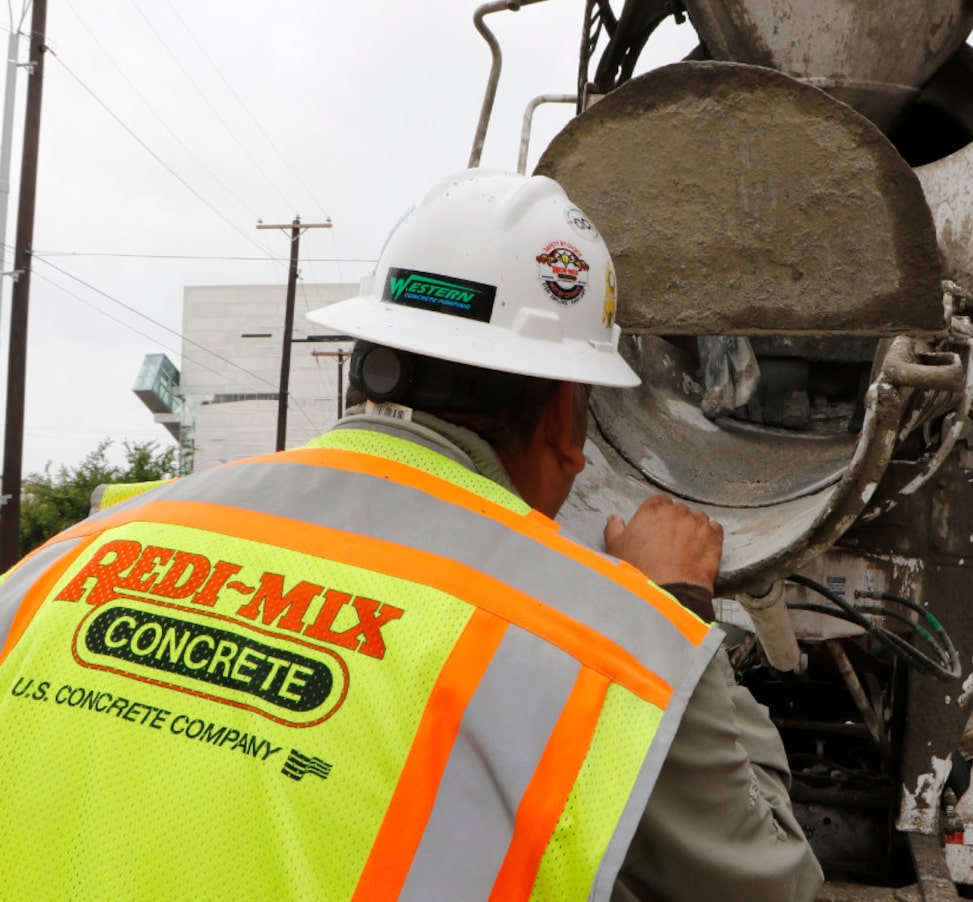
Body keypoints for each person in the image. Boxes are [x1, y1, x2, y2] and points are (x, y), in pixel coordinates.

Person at [0, 169, 822, 900]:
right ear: (568, 419)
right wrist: (669, 610)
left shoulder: (62, 564)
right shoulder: (599, 650)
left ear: (364, 363)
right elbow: (770, 882)